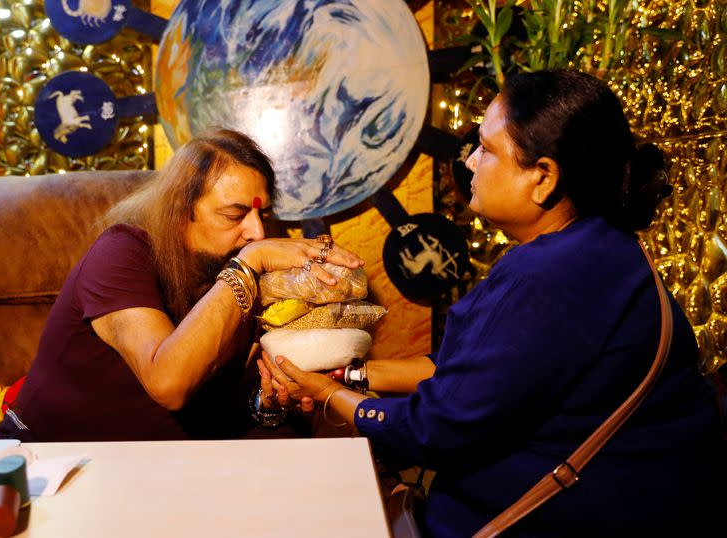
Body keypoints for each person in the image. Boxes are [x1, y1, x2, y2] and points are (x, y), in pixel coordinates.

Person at [259, 70, 726, 537]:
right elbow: (465, 371)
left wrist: (327, 396)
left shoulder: (548, 275)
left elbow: (436, 427)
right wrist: (350, 375)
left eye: (487, 149)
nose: (470, 163)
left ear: (542, 178)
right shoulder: (606, 249)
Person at [0, 128, 362, 442]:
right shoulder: (122, 253)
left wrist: (265, 402)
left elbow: (225, 405)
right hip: (50, 463)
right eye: (235, 214)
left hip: (159, 469)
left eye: (261, 213)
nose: (258, 232)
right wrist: (250, 263)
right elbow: (168, 383)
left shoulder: (228, 277)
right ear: (181, 210)